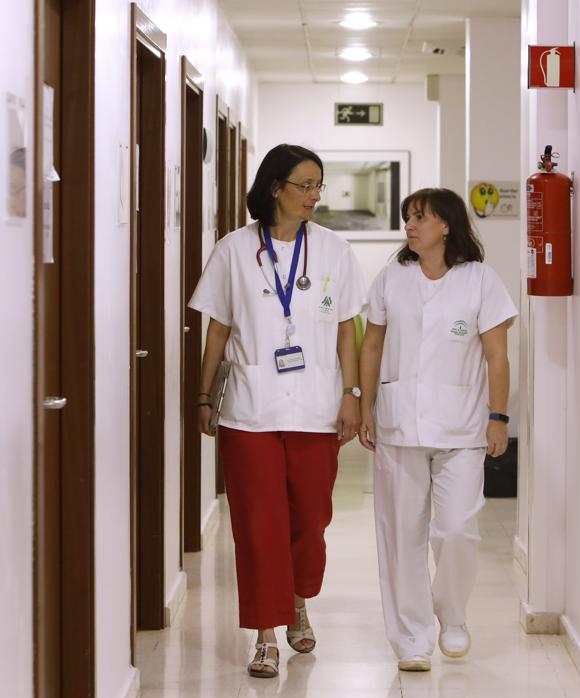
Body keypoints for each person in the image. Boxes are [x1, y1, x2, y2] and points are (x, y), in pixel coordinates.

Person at [189, 144, 366, 679]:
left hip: (316, 410)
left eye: (319, 186)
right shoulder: (233, 251)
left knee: (310, 522)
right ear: (275, 189)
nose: (314, 195)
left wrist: (352, 396)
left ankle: (298, 599)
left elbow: (346, 331)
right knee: (257, 525)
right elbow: (217, 328)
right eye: (305, 185)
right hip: (250, 412)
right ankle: (265, 634)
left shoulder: (335, 251)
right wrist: (202, 395)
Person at [357, 187, 517, 672]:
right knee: (401, 534)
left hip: (463, 427)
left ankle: (452, 614)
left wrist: (498, 416)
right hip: (399, 424)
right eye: (407, 217)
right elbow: (371, 347)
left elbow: (497, 356)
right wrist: (366, 407)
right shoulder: (391, 278)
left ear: (446, 225)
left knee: (457, 530)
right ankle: (411, 639)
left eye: (419, 217)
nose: (410, 224)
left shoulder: (480, 280)